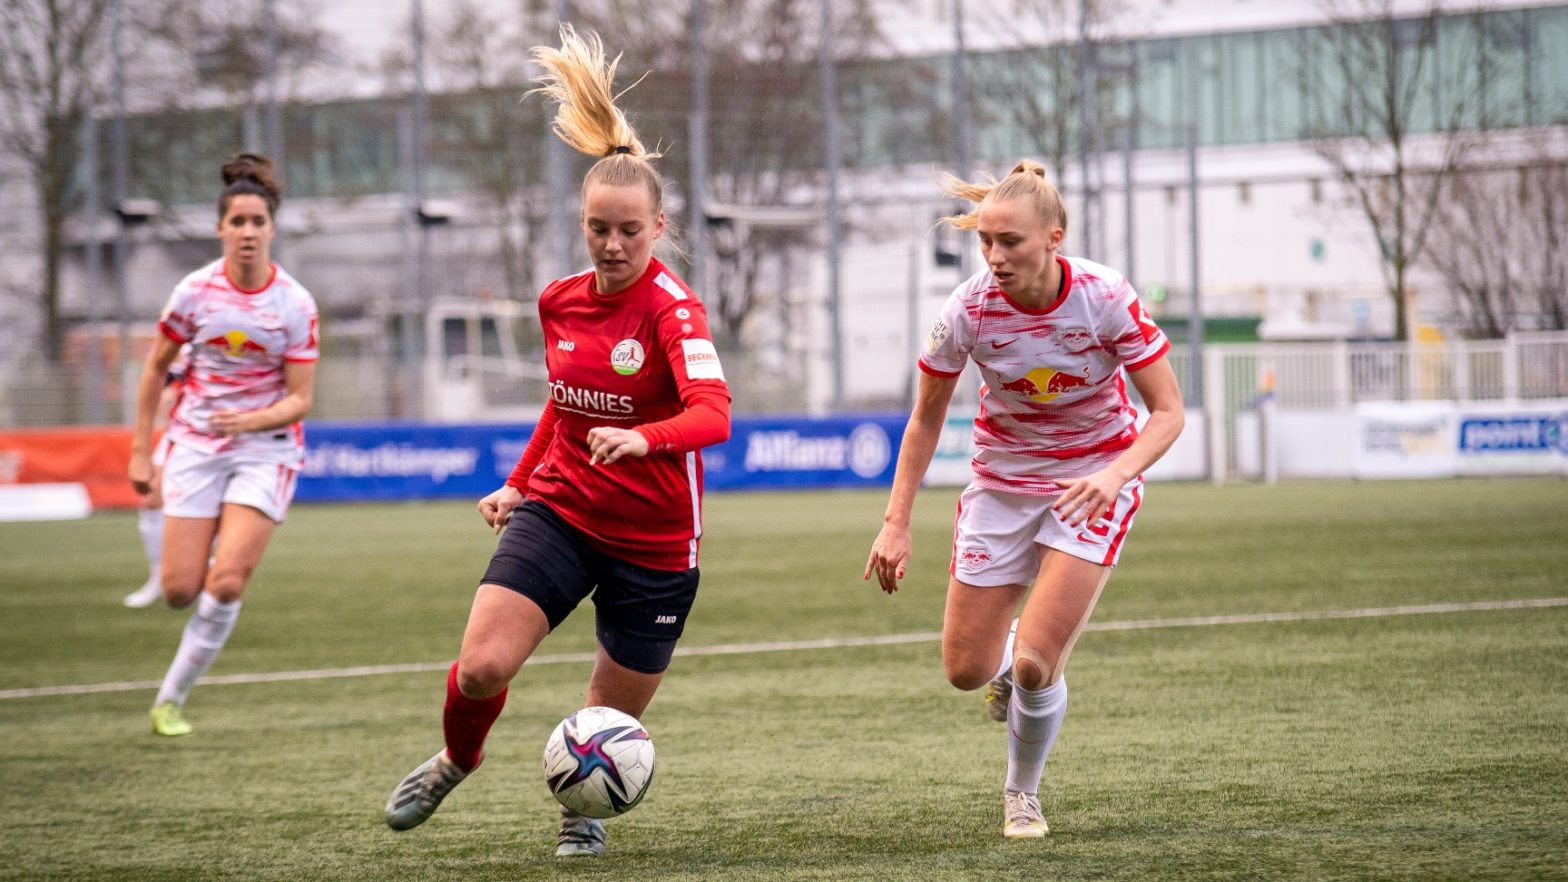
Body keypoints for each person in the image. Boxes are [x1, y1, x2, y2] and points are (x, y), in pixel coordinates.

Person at [384, 27, 731, 859]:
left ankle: (582, 811)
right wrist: (519, 482)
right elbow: (563, 407)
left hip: (654, 545)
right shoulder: (558, 301)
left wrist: (644, 440)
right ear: (582, 223)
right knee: (480, 668)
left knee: (603, 724)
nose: (612, 246)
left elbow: (714, 415)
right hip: (562, 512)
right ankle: (456, 759)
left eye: (629, 231)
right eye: (598, 228)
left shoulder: (674, 311)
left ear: (657, 226)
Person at [863, 160, 1184, 839]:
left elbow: (1167, 413)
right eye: (986, 241)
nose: (995, 256)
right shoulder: (968, 308)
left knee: (1038, 665)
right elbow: (924, 420)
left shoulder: (1105, 297)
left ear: (1053, 238)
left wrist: (1114, 476)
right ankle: (1002, 664)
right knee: (965, 670)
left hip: (1090, 487)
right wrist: (896, 523)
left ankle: (1022, 794)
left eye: (1010, 242)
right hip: (1001, 487)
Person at [127, 153, 320, 737]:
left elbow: (300, 400)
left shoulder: (294, 304)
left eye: (258, 221)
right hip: (194, 444)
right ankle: (210, 552)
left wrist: (252, 420)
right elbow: (154, 369)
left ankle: (170, 701)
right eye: (237, 222)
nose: (248, 232)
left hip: (267, 449)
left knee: (228, 581)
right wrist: (141, 451)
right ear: (220, 228)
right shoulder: (192, 293)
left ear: (272, 228)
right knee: (179, 590)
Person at [123, 346, 190, 609]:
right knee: (151, 499)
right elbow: (162, 386)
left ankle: (209, 574)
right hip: (181, 433)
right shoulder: (179, 344)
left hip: (224, 437)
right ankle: (158, 577)